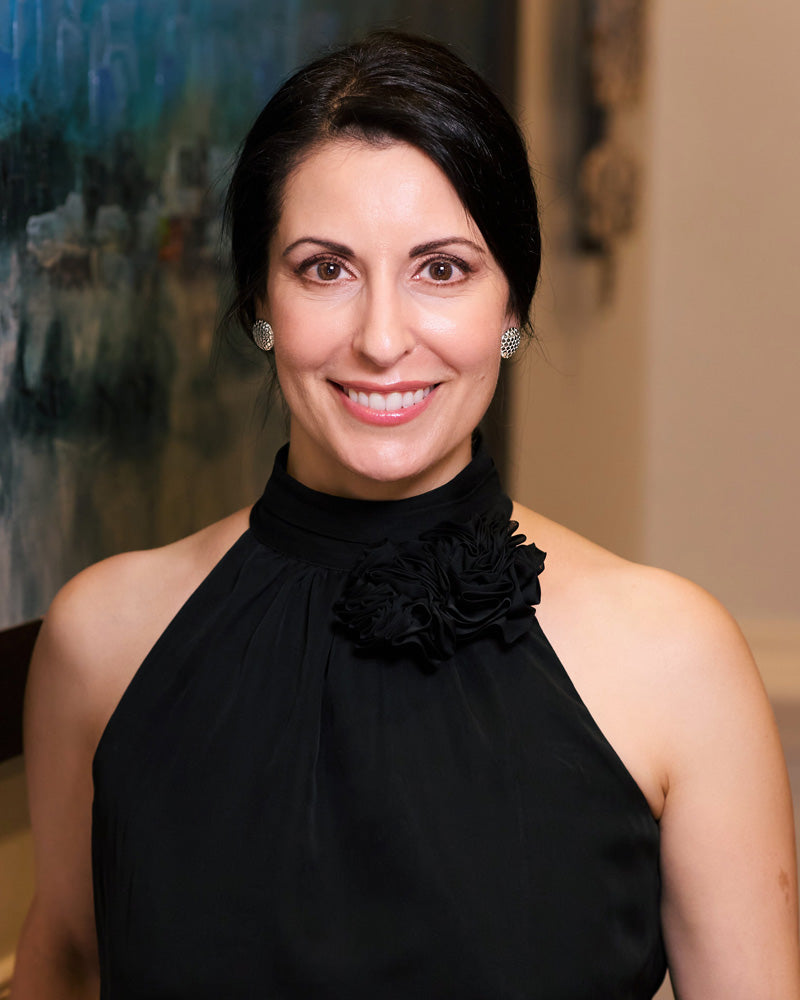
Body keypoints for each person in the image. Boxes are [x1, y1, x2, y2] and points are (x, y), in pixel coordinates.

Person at [12, 29, 800, 1000]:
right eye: (325, 269)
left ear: (511, 306)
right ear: (260, 302)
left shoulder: (676, 661)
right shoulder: (102, 641)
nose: (382, 340)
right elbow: (62, 962)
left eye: (442, 269)